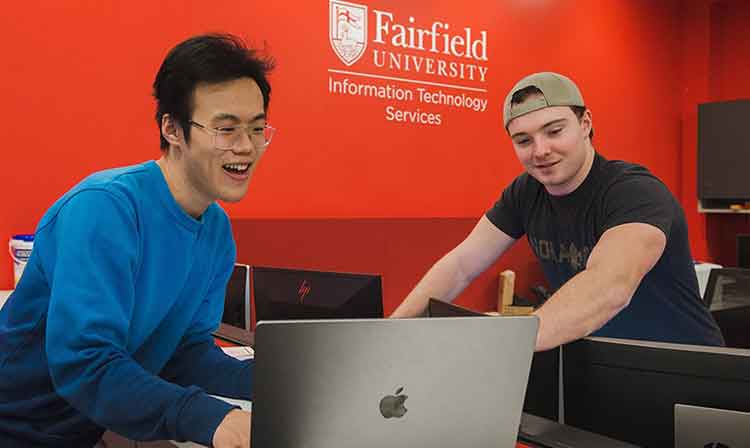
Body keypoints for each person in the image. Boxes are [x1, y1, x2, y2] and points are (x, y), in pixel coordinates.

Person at [0, 33, 274, 447]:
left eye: (257, 129)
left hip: (79, 430)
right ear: (172, 128)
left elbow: (183, 353)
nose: (246, 147)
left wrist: (280, 380)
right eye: (225, 129)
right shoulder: (105, 209)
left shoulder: (215, 230)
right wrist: (211, 418)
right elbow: (84, 363)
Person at [391, 72, 725, 350]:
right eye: (523, 140)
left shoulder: (633, 191)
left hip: (686, 369)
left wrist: (507, 344)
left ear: (585, 123)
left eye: (554, 131)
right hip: (602, 366)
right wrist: (389, 333)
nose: (541, 151)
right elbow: (462, 264)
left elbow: (609, 288)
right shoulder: (526, 192)